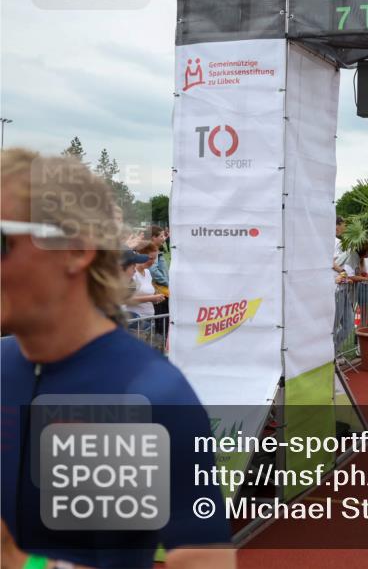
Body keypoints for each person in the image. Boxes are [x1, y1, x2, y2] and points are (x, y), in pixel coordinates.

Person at [0, 148, 234, 569]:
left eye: (2, 240)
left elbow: (203, 560)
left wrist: (29, 565)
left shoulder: (144, 395)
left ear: (76, 249)